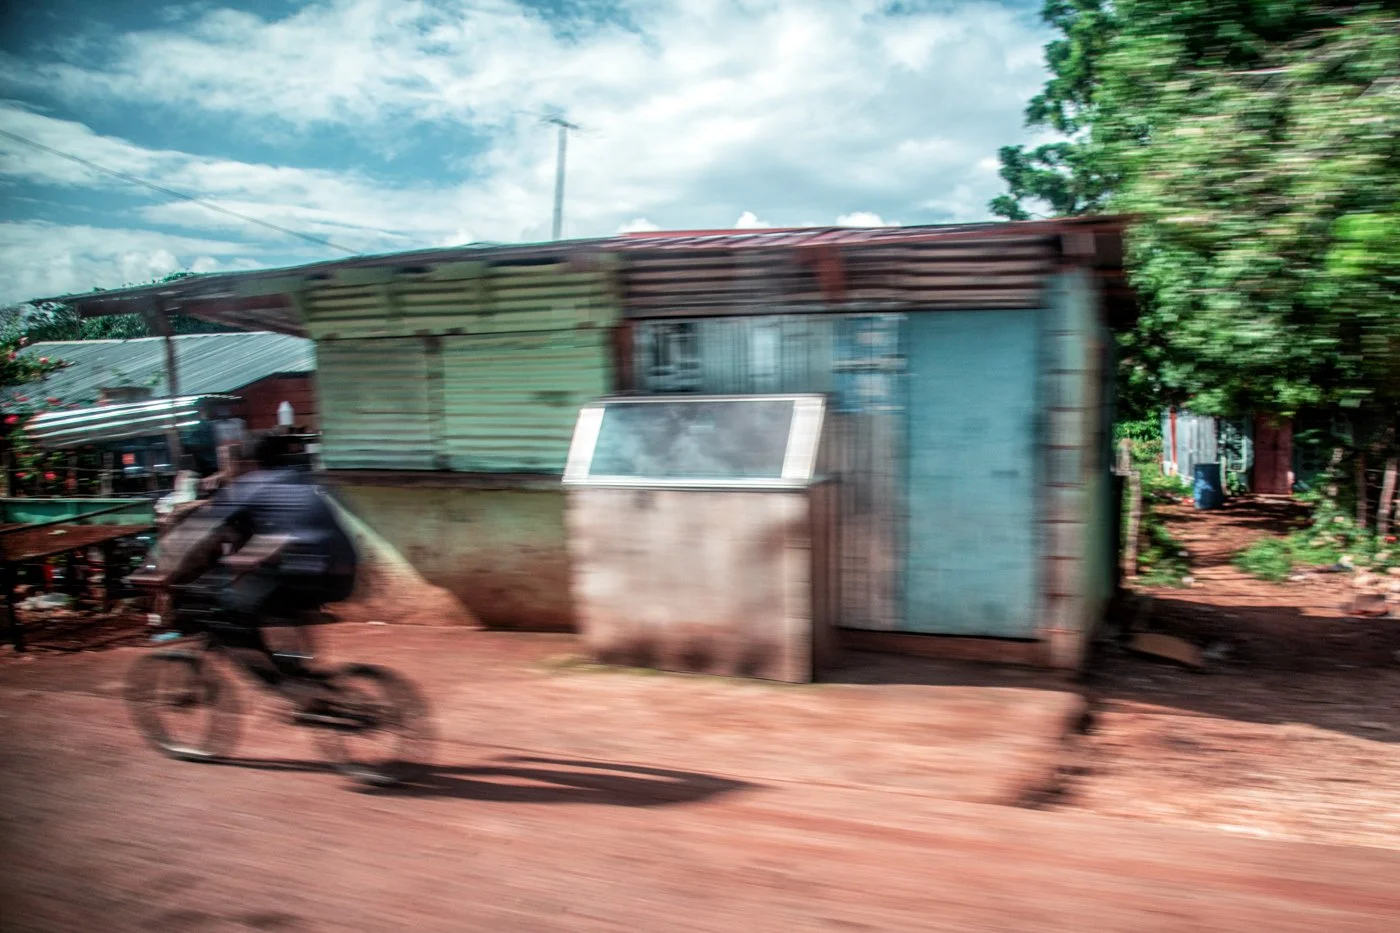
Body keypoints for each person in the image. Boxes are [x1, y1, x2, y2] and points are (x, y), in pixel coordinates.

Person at [158, 431, 358, 700]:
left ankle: (283, 681)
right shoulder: (304, 480)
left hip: (304, 568)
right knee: (275, 602)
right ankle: (300, 674)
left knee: (230, 612)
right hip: (343, 572)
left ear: (248, 462)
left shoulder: (251, 484)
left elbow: (196, 528)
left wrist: (157, 569)